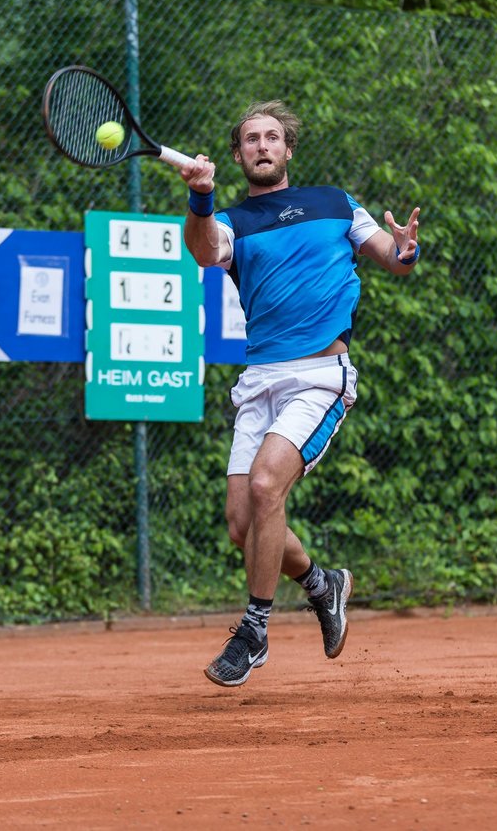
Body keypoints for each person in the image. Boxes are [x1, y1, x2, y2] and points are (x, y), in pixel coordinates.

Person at [181, 100, 421, 687]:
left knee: (266, 486)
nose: (262, 146)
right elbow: (205, 251)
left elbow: (395, 259)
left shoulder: (335, 203)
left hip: (320, 376)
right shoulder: (232, 221)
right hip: (259, 381)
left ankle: (254, 632)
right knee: (244, 524)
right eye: (250, 140)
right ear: (238, 156)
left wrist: (407, 247)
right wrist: (201, 196)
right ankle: (324, 584)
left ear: (288, 150)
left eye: (272, 138)